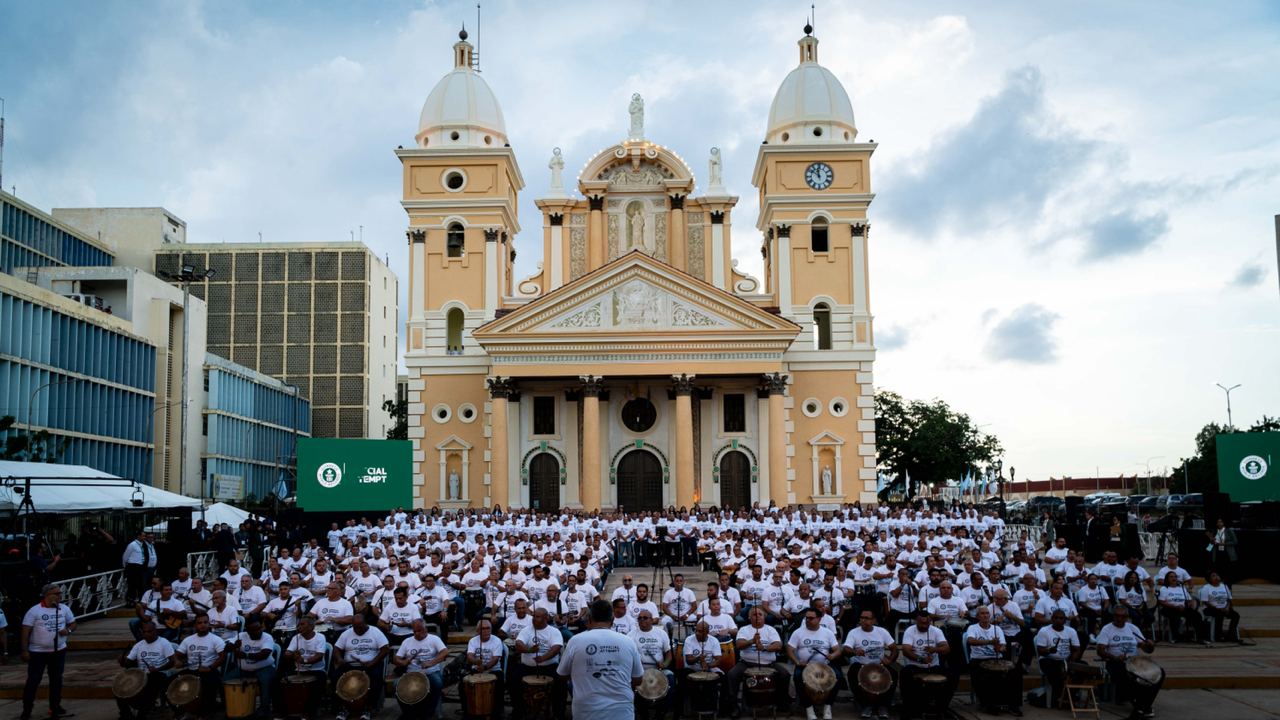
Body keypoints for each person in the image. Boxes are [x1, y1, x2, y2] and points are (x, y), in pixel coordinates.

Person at [556, 599, 645, 720]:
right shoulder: (628, 642)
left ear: (589, 619)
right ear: (613, 620)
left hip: (586, 712)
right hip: (621, 712)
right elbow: (638, 679)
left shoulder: (575, 641)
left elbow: (562, 674)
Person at [20, 584, 77, 720]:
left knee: (56, 680)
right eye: (55, 594)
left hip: (58, 651)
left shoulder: (64, 609)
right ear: (46, 595)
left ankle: (55, 706)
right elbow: (25, 630)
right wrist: (24, 650)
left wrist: (68, 630)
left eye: (59, 594)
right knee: (33, 680)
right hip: (37, 652)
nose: (59, 596)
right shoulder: (35, 610)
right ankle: (27, 709)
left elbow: (73, 623)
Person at [1095, 605, 1162, 720]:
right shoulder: (1107, 629)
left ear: (1127, 617)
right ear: (1113, 616)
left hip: (1135, 662)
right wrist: (1114, 657)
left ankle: (1143, 705)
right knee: (1131, 677)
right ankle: (1143, 706)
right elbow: (1100, 650)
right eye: (1117, 616)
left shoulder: (1132, 628)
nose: (1119, 619)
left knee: (1159, 674)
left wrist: (1150, 645)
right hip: (1115, 661)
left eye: (1122, 616)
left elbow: (1147, 649)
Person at [726, 607, 788, 717]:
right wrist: (752, 641)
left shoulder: (771, 630)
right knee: (732, 675)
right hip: (746, 663)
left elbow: (778, 645)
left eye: (760, 614)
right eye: (754, 614)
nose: (757, 616)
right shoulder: (744, 629)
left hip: (769, 663)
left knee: (785, 674)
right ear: (749, 617)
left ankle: (781, 704)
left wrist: (764, 648)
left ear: (764, 617)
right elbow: (739, 645)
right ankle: (734, 707)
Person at [965, 606, 1022, 716]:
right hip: (978, 659)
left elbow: (1003, 647)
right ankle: (988, 704)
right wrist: (990, 642)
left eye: (987, 613)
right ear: (977, 616)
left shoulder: (997, 629)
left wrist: (999, 648)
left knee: (1016, 672)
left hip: (996, 658)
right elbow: (971, 641)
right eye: (982, 613)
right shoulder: (972, 628)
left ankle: (1014, 705)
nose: (985, 615)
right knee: (987, 675)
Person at [332, 613, 390, 720]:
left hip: (370, 664)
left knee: (376, 678)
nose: (358, 629)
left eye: (360, 626)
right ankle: (342, 708)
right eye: (355, 627)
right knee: (335, 677)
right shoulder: (346, 633)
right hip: (350, 664)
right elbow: (336, 648)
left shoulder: (375, 632)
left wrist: (373, 662)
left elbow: (385, 649)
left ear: (365, 623)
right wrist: (340, 659)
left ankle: (368, 708)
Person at [898, 609, 954, 720]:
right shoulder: (910, 630)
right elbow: (906, 650)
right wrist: (920, 659)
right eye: (921, 623)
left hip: (933, 666)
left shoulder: (936, 631)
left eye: (926, 623)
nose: (924, 626)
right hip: (915, 666)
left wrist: (935, 649)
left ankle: (941, 707)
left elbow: (946, 648)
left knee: (953, 674)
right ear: (916, 621)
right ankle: (909, 709)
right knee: (905, 673)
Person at [786, 607, 840, 720]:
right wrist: (797, 662)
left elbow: (837, 649)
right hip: (805, 665)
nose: (808, 620)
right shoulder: (798, 632)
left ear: (819, 619)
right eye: (806, 618)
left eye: (811, 618)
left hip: (824, 665)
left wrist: (833, 655)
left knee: (838, 677)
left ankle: (828, 706)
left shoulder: (827, 632)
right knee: (797, 677)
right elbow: (789, 649)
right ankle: (808, 708)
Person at [512, 608, 566, 719]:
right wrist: (528, 650)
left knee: (561, 684)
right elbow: (518, 643)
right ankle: (518, 711)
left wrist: (543, 658)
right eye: (533, 616)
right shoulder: (526, 630)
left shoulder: (554, 631)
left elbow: (556, 648)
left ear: (546, 618)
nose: (534, 619)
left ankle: (558, 714)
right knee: (513, 680)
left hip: (549, 667)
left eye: (537, 616)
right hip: (527, 667)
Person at [843, 609, 897, 720]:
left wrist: (890, 660)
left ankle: (884, 706)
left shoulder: (882, 632)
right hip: (861, 665)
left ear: (874, 621)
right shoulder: (854, 632)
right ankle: (865, 705)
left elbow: (894, 649)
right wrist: (854, 651)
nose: (863, 620)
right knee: (852, 671)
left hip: (878, 665)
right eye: (861, 617)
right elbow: (846, 649)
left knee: (893, 673)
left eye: (866, 618)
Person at [117, 619, 175, 720]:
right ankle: (126, 715)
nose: (146, 634)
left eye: (149, 631)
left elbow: (172, 662)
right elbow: (129, 662)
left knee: (152, 682)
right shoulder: (139, 645)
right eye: (144, 632)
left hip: (160, 673)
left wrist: (158, 669)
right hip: (141, 675)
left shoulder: (164, 642)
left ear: (155, 631)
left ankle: (142, 714)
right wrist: (123, 661)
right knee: (120, 687)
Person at [392, 619, 450, 719]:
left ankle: (429, 713)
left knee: (437, 683)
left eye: (420, 630)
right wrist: (403, 662)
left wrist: (431, 663)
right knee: (396, 685)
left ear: (425, 629)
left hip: (430, 672)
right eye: (415, 631)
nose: (417, 633)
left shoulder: (434, 639)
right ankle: (408, 713)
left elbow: (445, 652)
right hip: (412, 673)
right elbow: (396, 658)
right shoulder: (407, 641)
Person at [175, 614, 228, 720]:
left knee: (209, 683)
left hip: (209, 670)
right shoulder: (188, 640)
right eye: (199, 623)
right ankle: (183, 711)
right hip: (191, 670)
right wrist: (177, 661)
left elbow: (222, 657)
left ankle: (205, 714)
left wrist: (210, 667)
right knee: (172, 682)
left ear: (209, 624)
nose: (203, 625)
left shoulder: (216, 639)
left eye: (205, 622)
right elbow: (177, 655)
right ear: (195, 625)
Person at [630, 609, 674, 718]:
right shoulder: (631, 635)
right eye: (639, 618)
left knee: (671, 678)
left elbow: (668, 653)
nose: (642, 620)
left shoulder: (661, 633)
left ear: (651, 620)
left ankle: (661, 713)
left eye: (645, 618)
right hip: (640, 669)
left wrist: (665, 663)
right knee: (631, 682)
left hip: (659, 668)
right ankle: (642, 713)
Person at [283, 617, 329, 719]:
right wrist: (291, 655)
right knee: (283, 682)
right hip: (299, 670)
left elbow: (319, 656)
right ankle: (289, 711)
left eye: (302, 624)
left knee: (318, 684)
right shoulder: (296, 638)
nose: (299, 627)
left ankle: (312, 712)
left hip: (317, 670)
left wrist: (304, 660)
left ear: (312, 627)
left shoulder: (320, 637)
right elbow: (287, 653)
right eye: (299, 625)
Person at [1034, 608, 1081, 708]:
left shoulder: (1071, 631)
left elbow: (1076, 649)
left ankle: (1069, 694)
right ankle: (1064, 696)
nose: (1058, 620)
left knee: (1083, 666)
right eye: (1055, 618)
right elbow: (1040, 650)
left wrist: (1071, 661)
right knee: (1052, 668)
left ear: (1065, 620)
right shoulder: (1044, 631)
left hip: (1066, 661)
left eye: (1061, 618)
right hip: (1049, 660)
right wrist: (1048, 650)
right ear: (1052, 619)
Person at [233, 617, 278, 718]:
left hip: (264, 668)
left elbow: (265, 654)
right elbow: (227, 647)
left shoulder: (267, 637)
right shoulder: (240, 635)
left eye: (259, 628)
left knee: (265, 681)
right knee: (226, 679)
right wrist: (234, 646)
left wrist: (246, 655)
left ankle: (264, 709)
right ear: (247, 631)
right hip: (244, 669)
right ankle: (232, 707)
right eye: (253, 630)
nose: (258, 631)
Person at [679, 621, 724, 715]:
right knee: (683, 676)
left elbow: (718, 660)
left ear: (707, 632)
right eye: (696, 631)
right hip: (692, 668)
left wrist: (708, 665)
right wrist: (699, 658)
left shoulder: (714, 640)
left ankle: (720, 709)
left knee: (724, 678)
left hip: (709, 668)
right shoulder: (689, 640)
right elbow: (689, 660)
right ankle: (687, 710)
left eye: (700, 631)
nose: (697, 633)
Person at [465, 618, 506, 719]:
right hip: (476, 669)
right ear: (478, 630)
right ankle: (468, 710)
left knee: (499, 683)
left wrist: (485, 667)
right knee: (463, 684)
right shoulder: (473, 641)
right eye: (483, 629)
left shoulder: (496, 640)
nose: (487, 631)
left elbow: (496, 659)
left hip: (494, 670)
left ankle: (497, 711)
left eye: (488, 628)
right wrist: (475, 661)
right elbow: (469, 655)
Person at [1157, 570, 1203, 643]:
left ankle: (1199, 638)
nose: (1174, 578)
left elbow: (1189, 599)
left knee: (1197, 615)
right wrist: (1175, 606)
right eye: (1171, 577)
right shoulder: (1164, 588)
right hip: (1169, 608)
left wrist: (1189, 603)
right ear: (1167, 579)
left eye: (1175, 576)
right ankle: (1176, 637)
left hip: (1182, 608)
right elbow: (1162, 602)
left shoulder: (1182, 588)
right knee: (1175, 617)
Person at [1199, 571, 1242, 643]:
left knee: (1236, 615)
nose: (1216, 577)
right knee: (1219, 614)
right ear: (1209, 579)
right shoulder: (1206, 588)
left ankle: (1231, 635)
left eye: (1217, 575)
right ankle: (1218, 636)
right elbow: (1205, 602)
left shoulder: (1224, 586)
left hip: (1224, 608)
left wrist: (1227, 607)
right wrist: (1216, 608)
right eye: (1213, 576)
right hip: (1210, 608)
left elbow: (1229, 599)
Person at [122, 531, 157, 602]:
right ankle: (130, 602)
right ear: (138, 536)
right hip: (133, 567)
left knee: (140, 585)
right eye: (143, 536)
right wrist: (125, 567)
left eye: (144, 536)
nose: (144, 538)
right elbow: (125, 557)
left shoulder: (142, 545)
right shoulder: (132, 545)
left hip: (140, 567)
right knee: (132, 585)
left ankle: (140, 601)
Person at [1208, 518, 1238, 585]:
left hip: (1227, 553)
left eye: (1221, 522)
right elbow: (1210, 546)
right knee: (1218, 570)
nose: (1219, 523)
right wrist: (1211, 542)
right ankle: (1219, 584)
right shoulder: (1214, 531)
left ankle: (1228, 585)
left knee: (1227, 570)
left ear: (1224, 523)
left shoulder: (1229, 531)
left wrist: (1224, 544)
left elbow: (1235, 542)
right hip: (1218, 553)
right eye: (1218, 522)